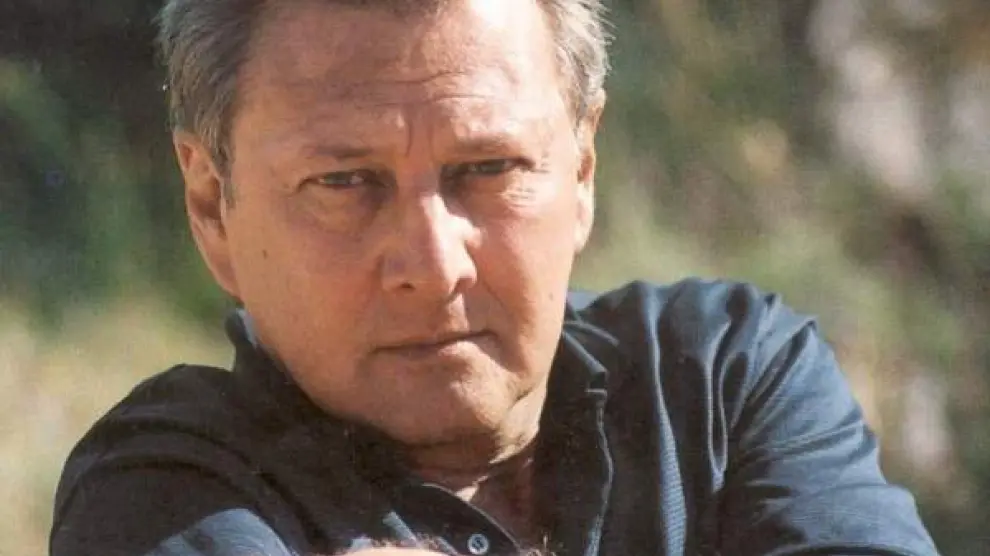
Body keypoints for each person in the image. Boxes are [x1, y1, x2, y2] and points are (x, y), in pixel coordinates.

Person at [50, 0, 940, 555]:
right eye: (345, 182)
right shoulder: (163, 491)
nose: (434, 266)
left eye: (488, 169)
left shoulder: (722, 381)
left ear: (582, 171)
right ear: (213, 206)